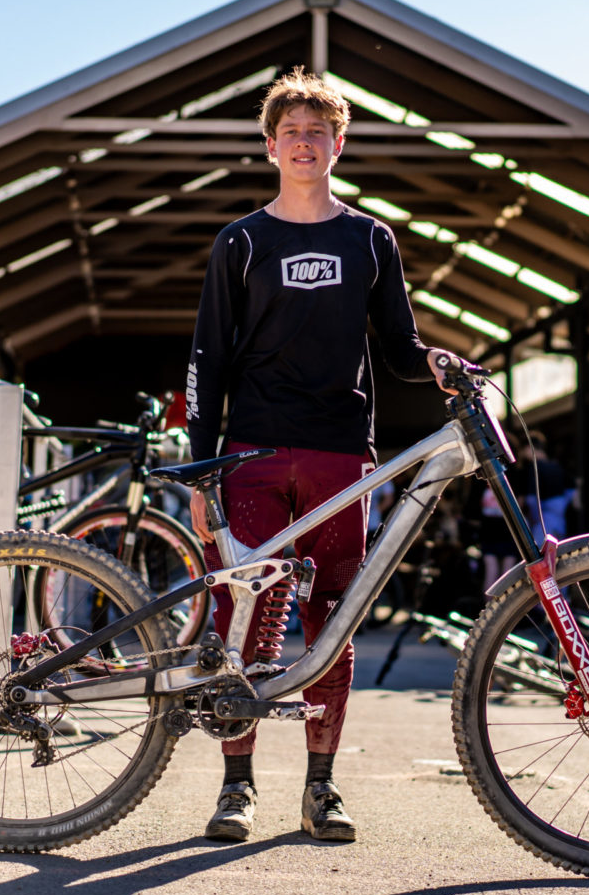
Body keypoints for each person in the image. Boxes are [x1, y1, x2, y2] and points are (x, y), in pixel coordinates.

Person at [183, 67, 455, 844]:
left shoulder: (370, 238)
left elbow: (398, 347)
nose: (304, 143)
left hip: (341, 453)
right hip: (253, 455)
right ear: (271, 146)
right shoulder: (241, 241)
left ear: (340, 144)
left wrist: (438, 363)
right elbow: (208, 358)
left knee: (331, 620)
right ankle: (236, 788)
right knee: (244, 615)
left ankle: (321, 788)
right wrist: (202, 470)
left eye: (318, 132)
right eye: (291, 132)